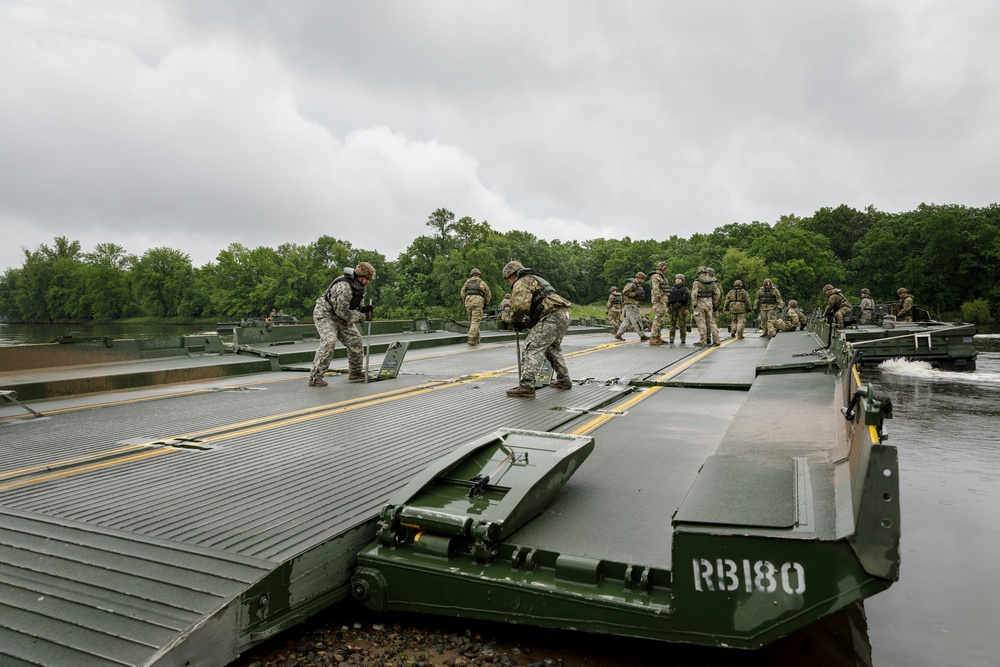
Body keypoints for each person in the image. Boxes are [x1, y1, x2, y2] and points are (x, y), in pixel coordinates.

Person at [502, 261, 573, 398]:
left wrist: (515, 320)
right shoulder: (534, 280)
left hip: (552, 316)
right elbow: (537, 308)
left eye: (508, 279)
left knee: (531, 347)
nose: (508, 282)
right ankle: (564, 380)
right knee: (552, 349)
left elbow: (520, 306)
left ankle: (527, 386)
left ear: (512, 275)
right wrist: (525, 323)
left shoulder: (522, 281)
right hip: (563, 314)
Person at [308, 261, 376, 386]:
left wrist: (363, 309)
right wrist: (362, 317)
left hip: (342, 317)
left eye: (369, 279)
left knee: (355, 340)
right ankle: (315, 377)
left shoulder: (360, 287)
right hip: (326, 314)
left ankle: (355, 372)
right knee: (329, 341)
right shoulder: (344, 286)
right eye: (366, 279)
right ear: (359, 276)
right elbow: (341, 311)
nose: (368, 282)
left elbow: (356, 303)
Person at [691, 266, 722, 347]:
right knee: (712, 322)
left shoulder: (697, 282)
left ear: (699, 273)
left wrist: (694, 303)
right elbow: (718, 293)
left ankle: (703, 341)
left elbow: (694, 293)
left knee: (701, 323)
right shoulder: (713, 282)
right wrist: (714, 302)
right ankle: (717, 340)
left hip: (700, 304)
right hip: (709, 304)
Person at [461, 268, 492, 346]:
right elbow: (488, 294)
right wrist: (486, 302)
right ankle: (471, 339)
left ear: (471, 275)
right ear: (479, 275)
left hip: (468, 302)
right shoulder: (482, 283)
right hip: (478, 302)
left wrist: (466, 299)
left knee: (472, 321)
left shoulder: (466, 283)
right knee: (475, 321)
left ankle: (477, 338)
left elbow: (462, 293)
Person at [614, 272, 649, 342]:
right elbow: (625, 292)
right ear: (639, 278)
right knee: (637, 320)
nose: (643, 281)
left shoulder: (636, 285)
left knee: (627, 321)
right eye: (642, 279)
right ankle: (642, 336)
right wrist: (635, 294)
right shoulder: (632, 284)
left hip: (632, 304)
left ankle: (618, 335)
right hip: (632, 304)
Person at [648, 261, 670, 345]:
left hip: (663, 299)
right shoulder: (656, 276)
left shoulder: (662, 277)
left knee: (661, 318)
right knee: (658, 318)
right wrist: (658, 299)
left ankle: (658, 336)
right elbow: (655, 288)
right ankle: (653, 337)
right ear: (663, 268)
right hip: (659, 300)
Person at [666, 273, 690, 344]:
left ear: (682, 280)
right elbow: (668, 298)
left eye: (679, 279)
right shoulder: (672, 289)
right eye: (677, 279)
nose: (678, 280)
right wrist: (667, 307)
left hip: (682, 307)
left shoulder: (686, 289)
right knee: (672, 323)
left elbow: (689, 299)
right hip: (673, 307)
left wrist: (687, 308)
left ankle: (683, 338)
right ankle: (671, 338)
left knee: (682, 324)